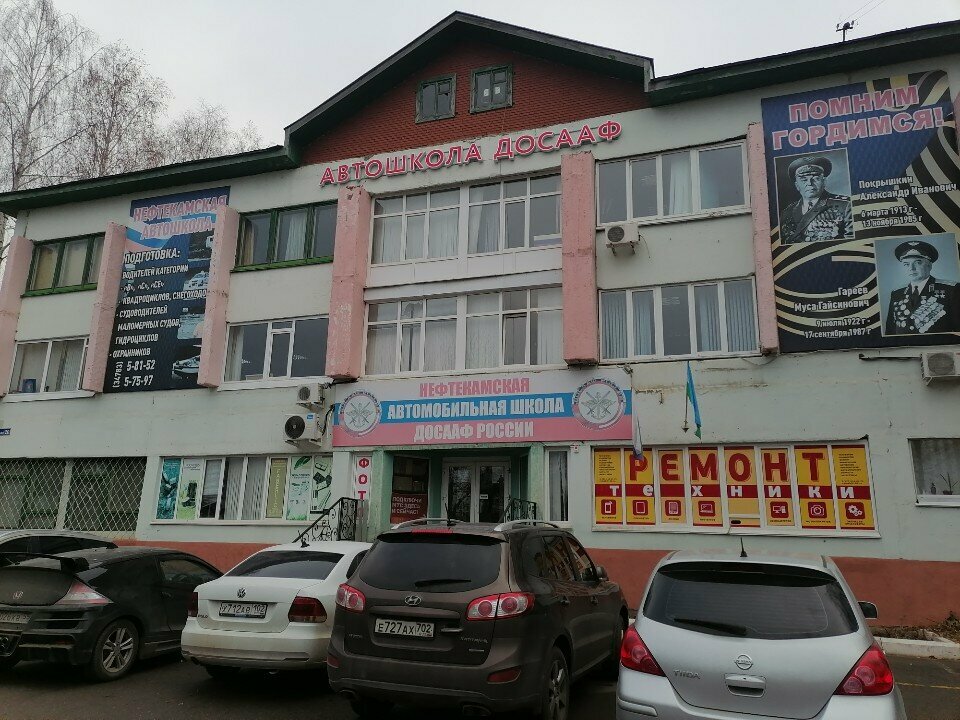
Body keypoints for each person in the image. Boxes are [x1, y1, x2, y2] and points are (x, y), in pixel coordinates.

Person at [884, 240, 960, 335]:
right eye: (906, 264)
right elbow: (890, 331)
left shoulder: (951, 290)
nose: (911, 268)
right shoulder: (896, 293)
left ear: (929, 265)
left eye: (918, 263)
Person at [780, 155, 853, 243]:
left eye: (816, 178)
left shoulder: (845, 206)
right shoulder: (786, 213)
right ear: (797, 185)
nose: (809, 183)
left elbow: (851, 242)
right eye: (804, 180)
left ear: (824, 182)